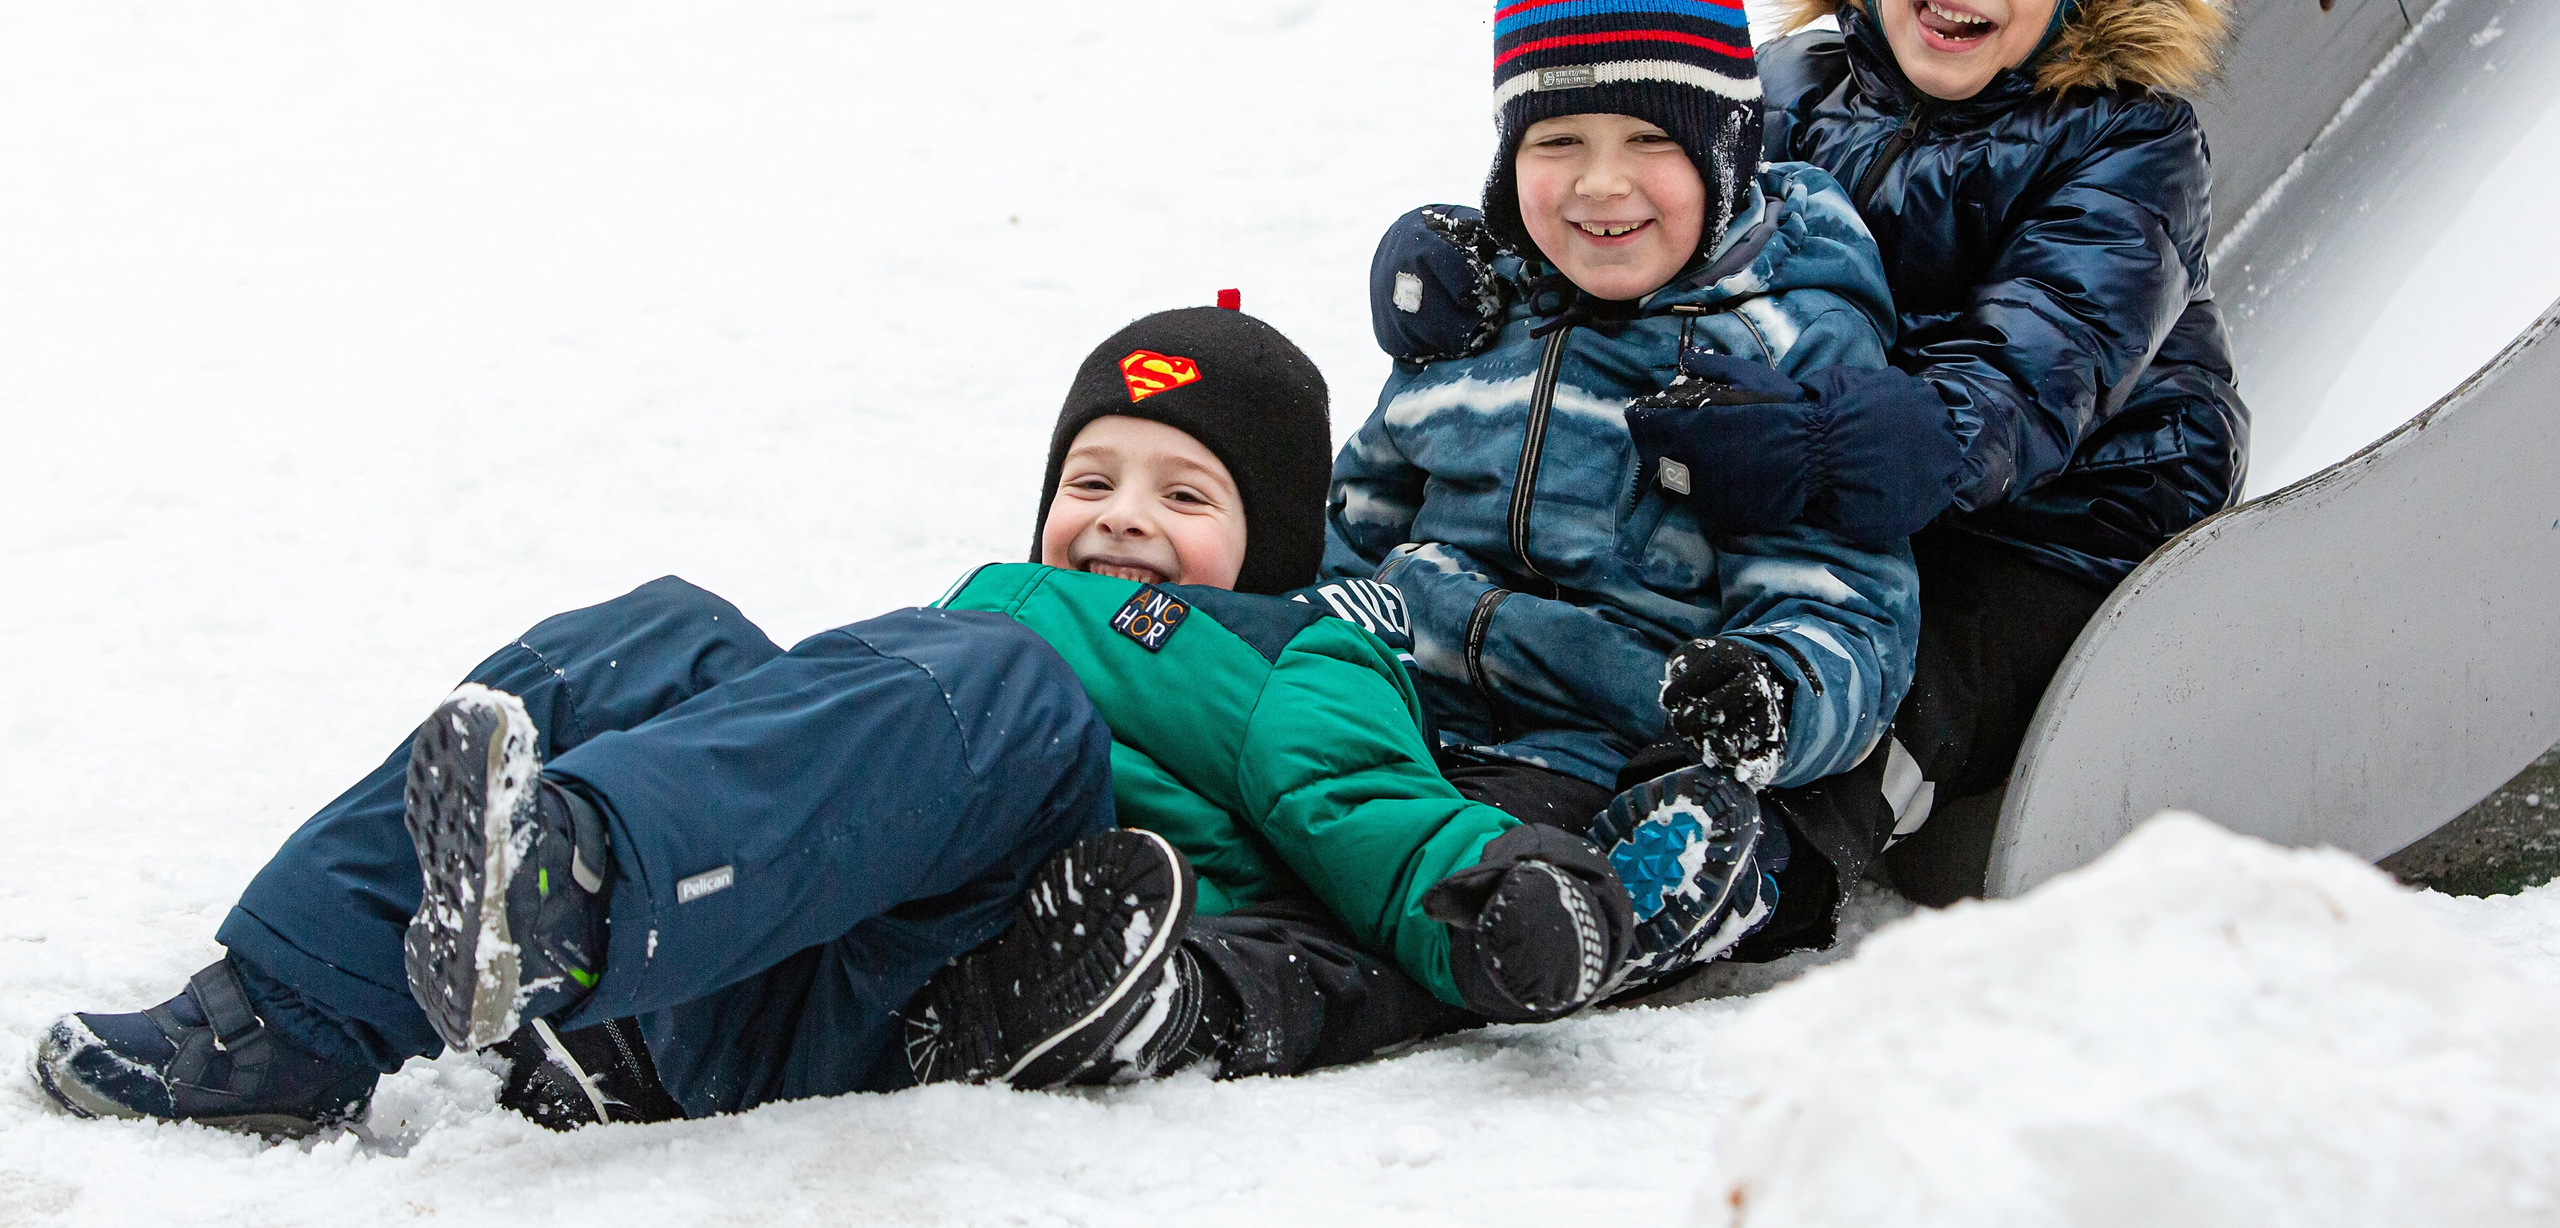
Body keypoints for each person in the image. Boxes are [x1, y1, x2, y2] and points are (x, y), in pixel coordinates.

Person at [33, 303, 1644, 1136]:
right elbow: (838, 747)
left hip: (952, 969)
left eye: (1184, 492)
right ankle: (284, 1019)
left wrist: (1495, 885)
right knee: (669, 631)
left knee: (1000, 693)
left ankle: (578, 893)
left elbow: (1366, 808)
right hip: (778, 931)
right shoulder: (999, 603)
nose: (1119, 518)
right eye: (1089, 480)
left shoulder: (1294, 657)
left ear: (1278, 543)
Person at [1626, 0, 2248, 886]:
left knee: (1924, 649)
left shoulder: (2126, 143)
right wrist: (1495, 270)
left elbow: (2021, 384)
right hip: (1832, 477)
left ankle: (1765, 858)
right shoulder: (1787, 89)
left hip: (2051, 519)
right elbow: (1627, 222)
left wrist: (1816, 441)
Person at [1329, 0, 1923, 978]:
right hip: (1411, 690)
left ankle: (1618, 896)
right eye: (1559, 144)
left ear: (1730, 150)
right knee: (1283, 772)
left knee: (1447, 869)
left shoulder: (1777, 349)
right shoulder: (1481, 315)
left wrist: (1769, 690)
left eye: (1651, 141)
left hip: (1606, 734)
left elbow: (1846, 603)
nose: (1601, 187)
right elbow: (1363, 502)